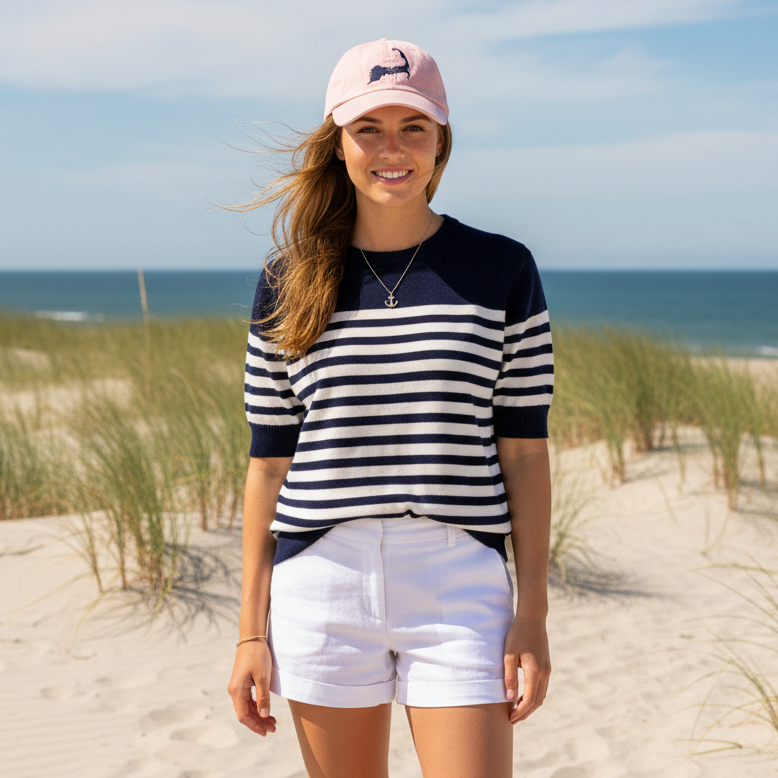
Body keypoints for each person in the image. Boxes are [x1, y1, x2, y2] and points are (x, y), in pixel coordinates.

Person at [227, 38, 554, 778]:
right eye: (368, 128)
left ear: (441, 142)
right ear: (338, 143)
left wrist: (531, 612)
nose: (391, 149)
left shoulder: (502, 269)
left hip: (459, 579)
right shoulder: (289, 278)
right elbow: (269, 463)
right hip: (321, 580)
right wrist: (250, 632)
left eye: (414, 127)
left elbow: (524, 450)